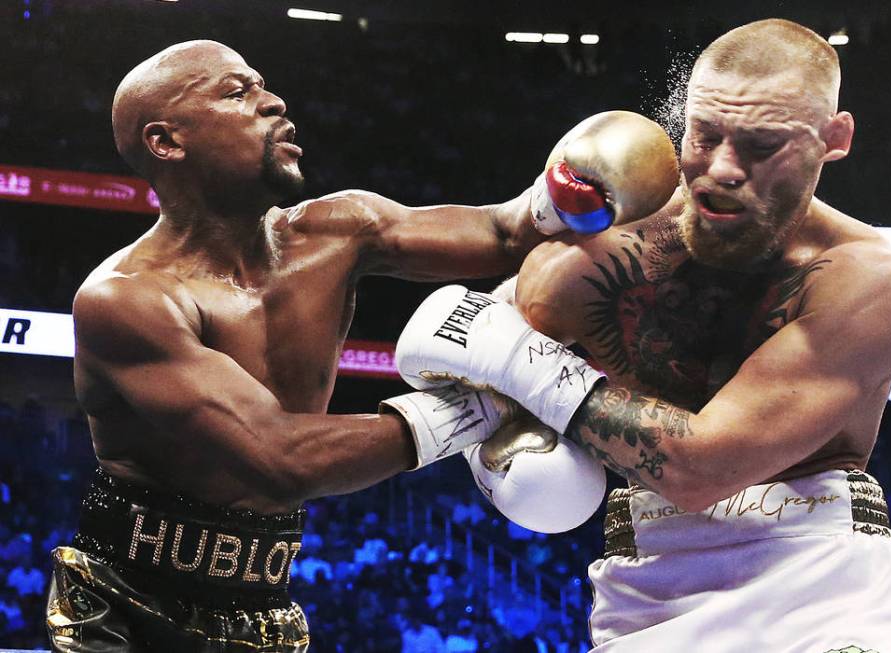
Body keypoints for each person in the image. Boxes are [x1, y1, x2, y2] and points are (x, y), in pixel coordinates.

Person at [395, 19, 891, 652]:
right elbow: (469, 369)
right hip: (645, 592)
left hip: (825, 582)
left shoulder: (870, 279)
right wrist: (488, 451)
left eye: (762, 144)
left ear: (833, 139)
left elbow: (704, 466)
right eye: (705, 136)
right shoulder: (590, 261)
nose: (723, 169)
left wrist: (515, 359)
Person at [45, 39, 553, 652]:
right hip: (128, 609)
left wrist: (584, 185)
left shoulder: (339, 230)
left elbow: (508, 232)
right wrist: (490, 404)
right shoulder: (127, 300)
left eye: (263, 85)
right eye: (237, 93)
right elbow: (282, 459)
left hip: (267, 608)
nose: (274, 102)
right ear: (167, 142)